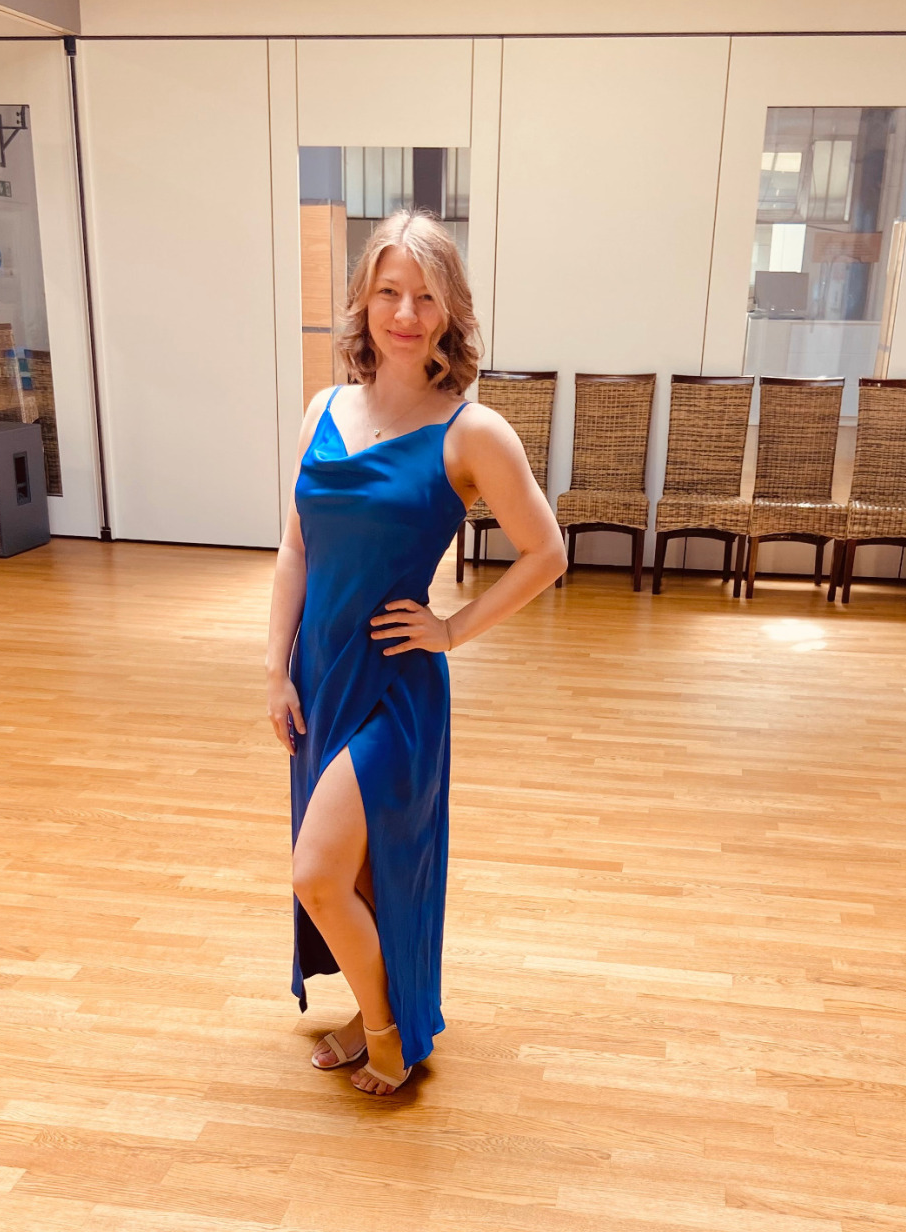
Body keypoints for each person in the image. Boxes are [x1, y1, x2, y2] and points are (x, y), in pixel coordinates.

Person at [265, 210, 566, 1096]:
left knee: (319, 873)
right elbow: (296, 549)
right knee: (356, 872)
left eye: (426, 297)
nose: (405, 313)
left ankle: (389, 1031)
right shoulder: (324, 410)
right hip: (321, 676)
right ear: (363, 298)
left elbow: (546, 553)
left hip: (395, 688)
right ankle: (371, 1008)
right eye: (389, 291)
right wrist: (275, 668)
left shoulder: (472, 432)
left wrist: (451, 630)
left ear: (450, 310)